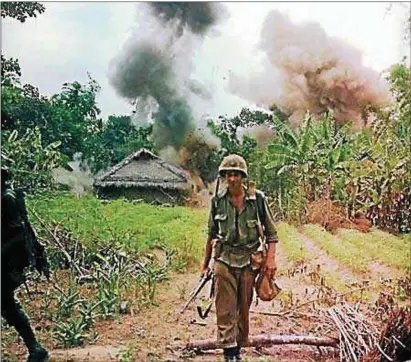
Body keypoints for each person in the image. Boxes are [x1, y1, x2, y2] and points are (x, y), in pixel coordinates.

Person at [201, 154, 279, 362]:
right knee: (225, 306)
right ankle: (230, 353)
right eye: (228, 174)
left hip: (248, 260)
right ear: (224, 176)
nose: (233, 178)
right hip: (224, 259)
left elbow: (271, 234)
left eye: (236, 174)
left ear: (243, 177)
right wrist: (205, 264)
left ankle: (239, 343)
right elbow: (211, 235)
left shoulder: (258, 199)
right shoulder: (217, 201)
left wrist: (270, 260)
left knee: (243, 306)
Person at [1, 155, 50, 362]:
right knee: (6, 304)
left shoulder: (7, 199)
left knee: (7, 304)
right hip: (8, 259)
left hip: (9, 261)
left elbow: (20, 233)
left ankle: (36, 348)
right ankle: (35, 348)